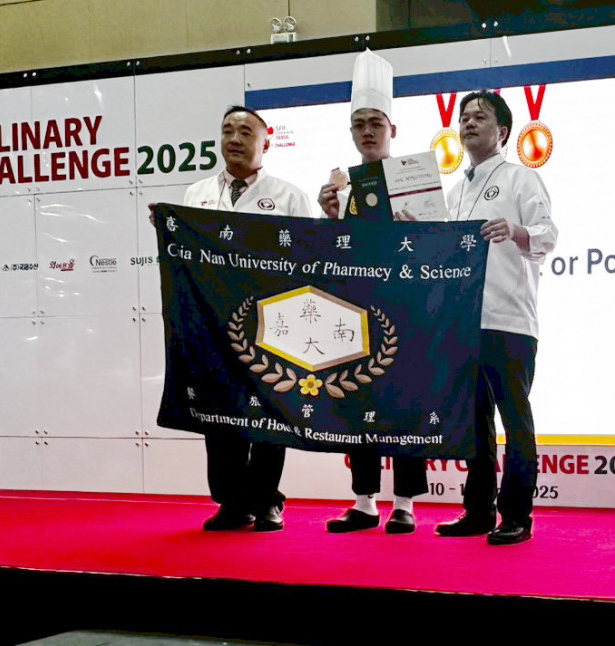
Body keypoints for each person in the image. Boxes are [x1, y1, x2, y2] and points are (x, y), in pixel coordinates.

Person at [151, 105, 312, 532]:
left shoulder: (290, 197)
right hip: (212, 323)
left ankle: (266, 500)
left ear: (266, 142)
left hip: (271, 322)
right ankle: (232, 502)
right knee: (220, 413)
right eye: (227, 131)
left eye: (245, 131)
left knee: (270, 412)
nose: (234, 139)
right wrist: (166, 227)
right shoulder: (196, 194)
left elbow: (308, 261)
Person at [435, 90, 557, 545]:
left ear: (502, 131)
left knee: (515, 420)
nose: (468, 123)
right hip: (464, 323)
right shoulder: (455, 192)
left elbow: (549, 234)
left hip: (509, 321)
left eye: (479, 117)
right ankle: (479, 511)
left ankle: (518, 514)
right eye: (464, 117)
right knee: (473, 423)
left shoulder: (521, 178)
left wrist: (516, 230)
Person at [317, 50, 428, 534]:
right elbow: (332, 256)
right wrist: (329, 219)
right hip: (355, 311)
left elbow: (438, 249)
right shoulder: (340, 189)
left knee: (404, 406)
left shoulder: (416, 180)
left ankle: (405, 504)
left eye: (376, 123)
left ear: (392, 129)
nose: (368, 131)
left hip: (406, 310)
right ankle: (363, 502)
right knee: (356, 400)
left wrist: (417, 230)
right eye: (359, 124)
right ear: (351, 132)